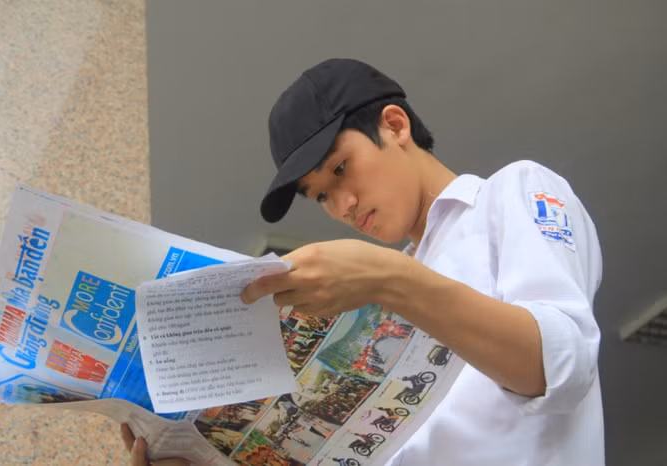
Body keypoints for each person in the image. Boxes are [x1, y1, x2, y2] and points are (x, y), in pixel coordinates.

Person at [123, 58, 603, 465]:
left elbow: (564, 365)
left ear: (395, 125)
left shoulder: (510, 193)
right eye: (320, 197)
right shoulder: (376, 296)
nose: (342, 207)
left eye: (340, 168)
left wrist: (388, 279)